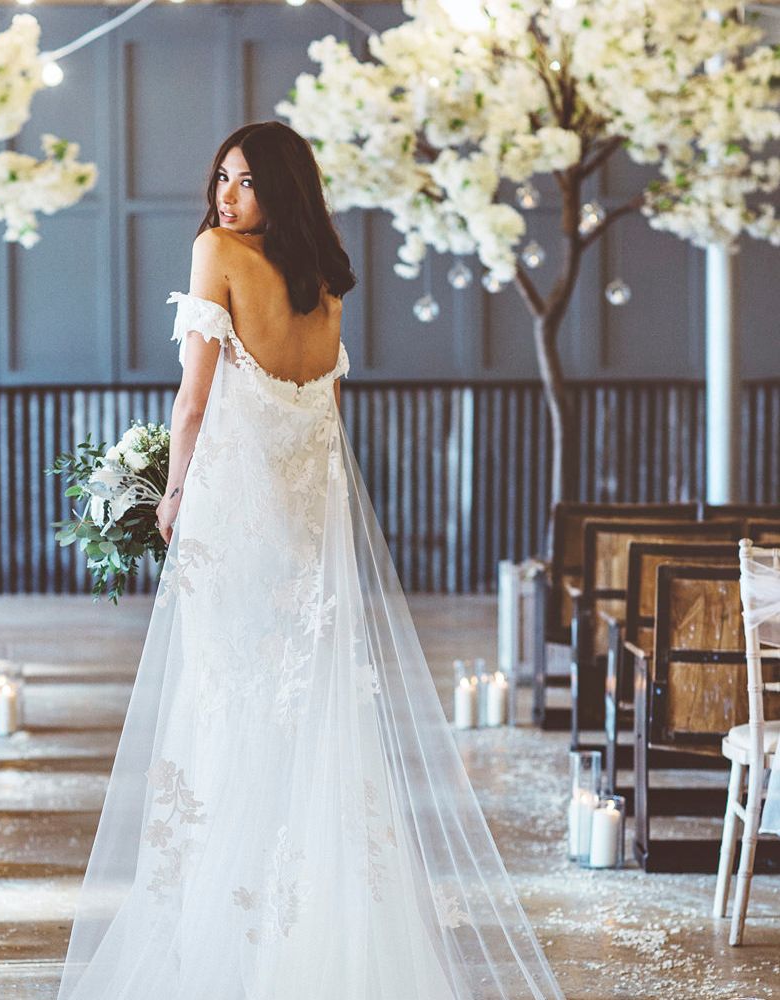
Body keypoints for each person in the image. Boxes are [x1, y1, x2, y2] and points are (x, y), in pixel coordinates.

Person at [57, 121, 564, 1000]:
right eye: (221, 177)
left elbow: (192, 403)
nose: (225, 196)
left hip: (230, 523)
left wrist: (171, 494)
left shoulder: (215, 252)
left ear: (280, 189)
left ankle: (222, 935)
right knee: (298, 718)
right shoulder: (327, 288)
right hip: (302, 532)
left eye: (246, 181)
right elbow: (324, 421)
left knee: (220, 710)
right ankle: (301, 928)